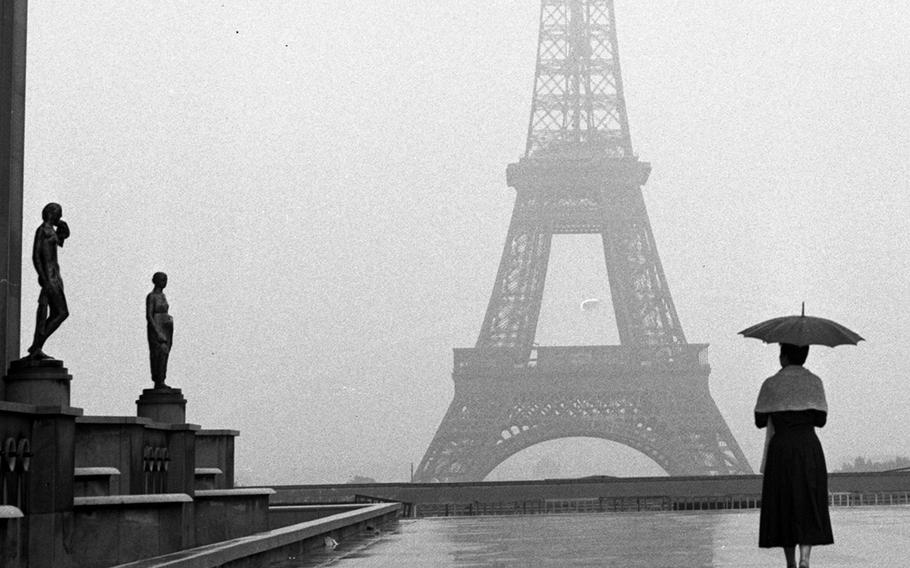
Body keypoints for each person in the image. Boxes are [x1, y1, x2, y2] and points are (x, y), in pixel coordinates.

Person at [755, 342, 833, 568]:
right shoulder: (815, 382)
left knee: (784, 504)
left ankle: (789, 562)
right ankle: (805, 559)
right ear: (805, 356)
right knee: (808, 501)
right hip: (808, 448)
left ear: (783, 356)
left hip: (781, 450)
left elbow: (760, 421)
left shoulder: (770, 384)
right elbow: (821, 420)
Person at [26, 202, 70, 359]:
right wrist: (43, 277)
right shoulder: (43, 230)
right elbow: (36, 255)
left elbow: (62, 240)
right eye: (59, 213)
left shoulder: (51, 230)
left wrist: (63, 228)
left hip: (55, 277)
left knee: (57, 312)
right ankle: (37, 344)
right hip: (49, 278)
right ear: (51, 213)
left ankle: (37, 344)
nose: (60, 216)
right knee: (62, 312)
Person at [146, 272, 173, 388]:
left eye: (166, 279)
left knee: (165, 353)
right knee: (158, 352)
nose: (165, 282)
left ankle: (162, 378)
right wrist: (157, 332)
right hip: (157, 327)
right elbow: (149, 315)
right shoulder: (152, 296)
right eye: (162, 280)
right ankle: (158, 380)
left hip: (167, 327)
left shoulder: (163, 296)